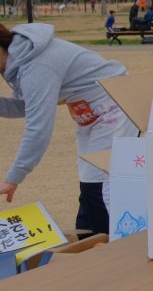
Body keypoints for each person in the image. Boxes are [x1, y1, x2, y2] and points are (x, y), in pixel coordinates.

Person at [0, 22, 138, 235]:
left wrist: (13, 177)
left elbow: (38, 127)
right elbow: (26, 105)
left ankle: (108, 244)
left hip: (114, 105)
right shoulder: (19, 60)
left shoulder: (35, 66)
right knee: (91, 183)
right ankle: (91, 238)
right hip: (89, 113)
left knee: (100, 186)